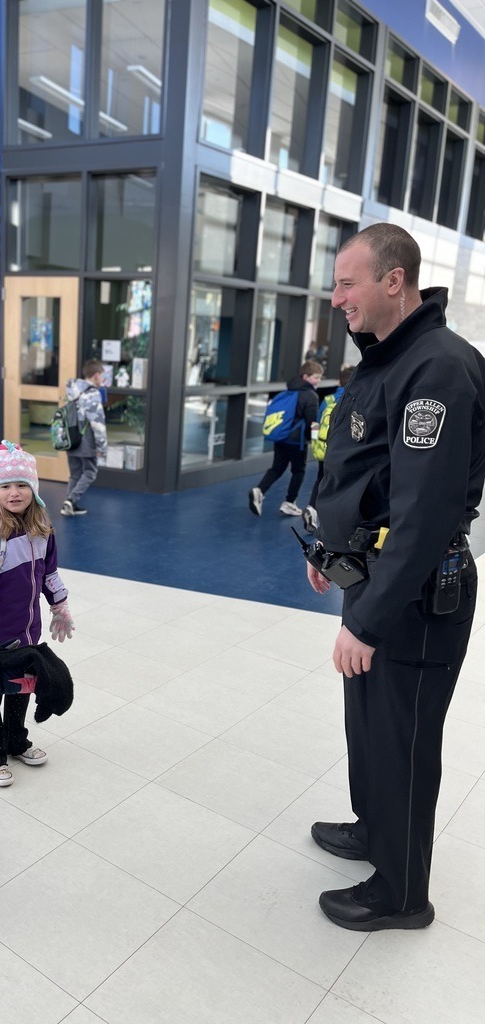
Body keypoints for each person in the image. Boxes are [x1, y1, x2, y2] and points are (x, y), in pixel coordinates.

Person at [306, 222, 485, 932]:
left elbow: (424, 512)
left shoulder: (435, 369)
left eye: (347, 282)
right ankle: (373, 829)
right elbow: (361, 469)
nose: (336, 297)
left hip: (413, 594)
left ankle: (403, 892)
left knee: (403, 740)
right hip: (372, 575)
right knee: (369, 727)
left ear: (393, 281)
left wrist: (369, 618)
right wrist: (328, 549)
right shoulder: (385, 360)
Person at [0, 441, 74, 786]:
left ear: (34, 490)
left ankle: (16, 741)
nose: (14, 493)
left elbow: (49, 573)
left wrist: (60, 606)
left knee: (21, 688)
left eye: (22, 485)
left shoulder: (41, 526)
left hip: (27, 632)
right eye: (5, 486)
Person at [248, 360, 323, 516]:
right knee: (299, 470)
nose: (318, 381)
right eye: (316, 377)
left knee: (277, 467)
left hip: (281, 437)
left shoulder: (288, 391)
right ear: (306, 376)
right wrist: (314, 439)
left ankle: (259, 490)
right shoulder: (311, 396)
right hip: (297, 441)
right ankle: (290, 502)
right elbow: (313, 422)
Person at [302, 365, 355, 533]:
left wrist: (316, 443)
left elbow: (316, 423)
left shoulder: (328, 399)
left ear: (339, 382)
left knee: (321, 478)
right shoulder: (354, 399)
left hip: (324, 448)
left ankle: (312, 507)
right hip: (343, 451)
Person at [61, 359, 107, 516]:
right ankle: (71, 500)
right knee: (90, 472)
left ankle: (68, 505)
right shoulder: (92, 394)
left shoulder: (72, 391)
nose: (102, 379)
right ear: (96, 375)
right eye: (102, 375)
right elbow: (97, 423)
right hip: (86, 440)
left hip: (70, 438)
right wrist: (102, 446)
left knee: (75, 473)